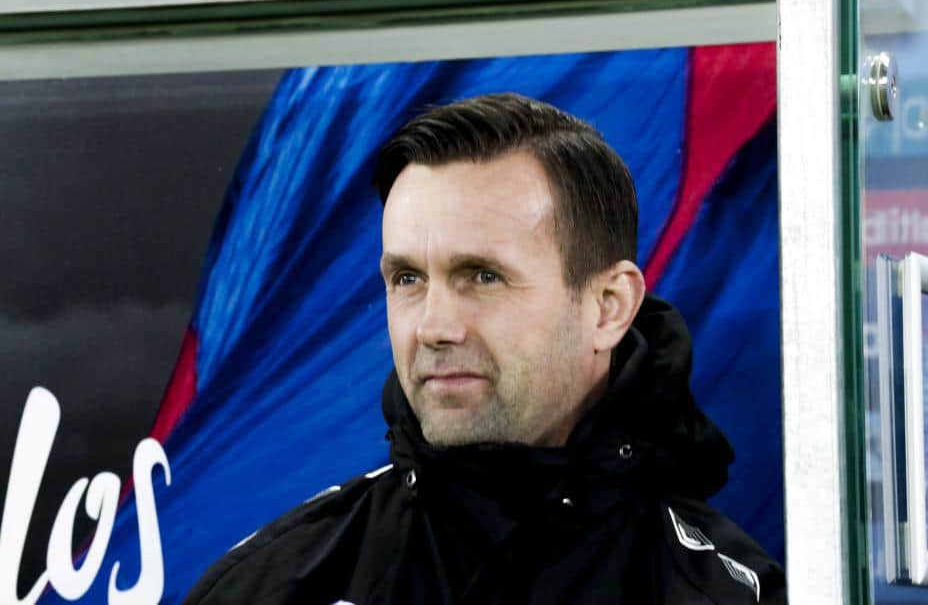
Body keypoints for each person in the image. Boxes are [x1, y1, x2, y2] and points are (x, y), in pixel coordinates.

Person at [184, 93, 786, 604]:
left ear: (608, 306)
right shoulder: (269, 586)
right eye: (408, 279)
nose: (433, 327)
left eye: (482, 276)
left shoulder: (727, 592)